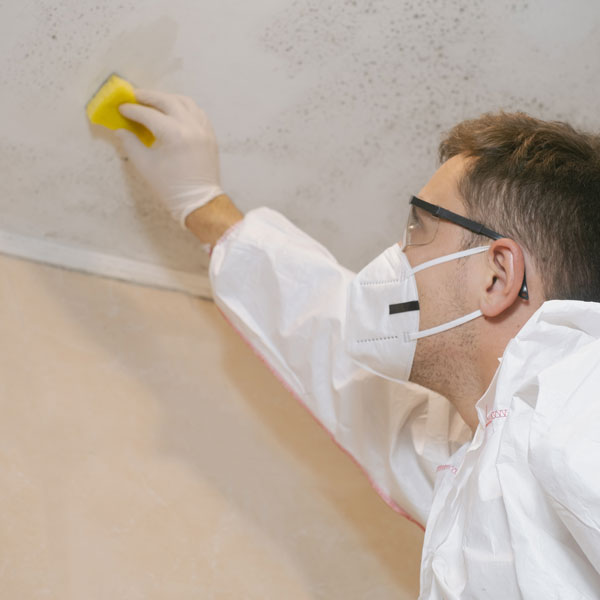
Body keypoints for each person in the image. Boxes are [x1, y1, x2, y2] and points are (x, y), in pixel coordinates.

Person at [113, 89, 600, 599]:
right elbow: (341, 358)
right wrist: (203, 205)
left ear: (497, 277)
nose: (395, 255)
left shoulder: (579, 401)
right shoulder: (481, 463)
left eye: (419, 228)